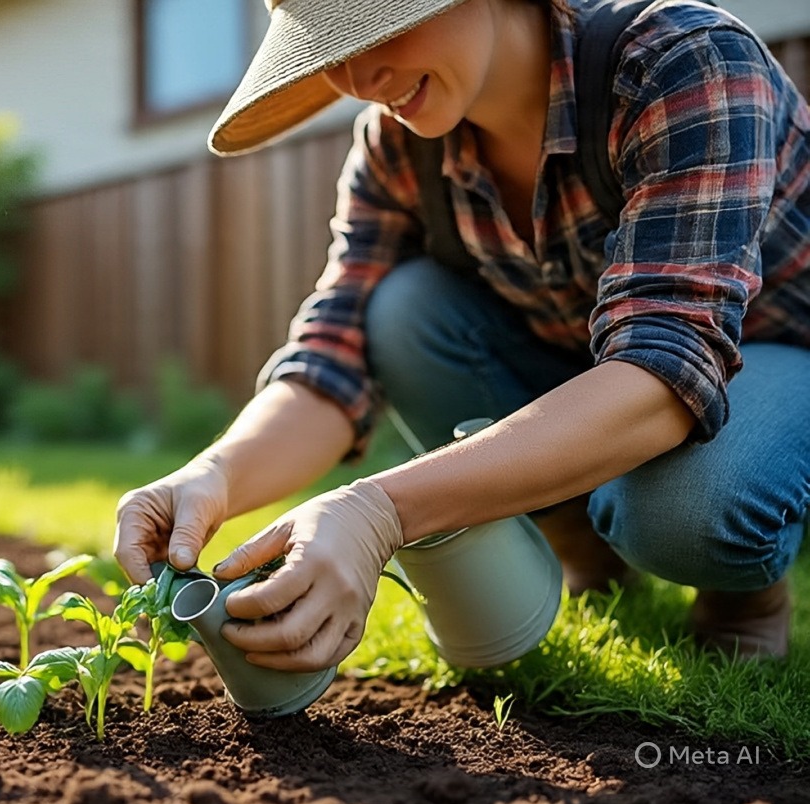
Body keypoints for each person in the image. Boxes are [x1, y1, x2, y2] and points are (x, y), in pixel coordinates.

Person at [114, 0, 810, 669]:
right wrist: (215, 475)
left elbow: (665, 373)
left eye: (375, 25)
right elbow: (333, 353)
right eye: (328, 50)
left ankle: (739, 598)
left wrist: (378, 510)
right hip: (586, 362)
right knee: (404, 309)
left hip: (773, 353)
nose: (357, 80)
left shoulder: (681, 61)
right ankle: (586, 556)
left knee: (683, 513)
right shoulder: (397, 146)